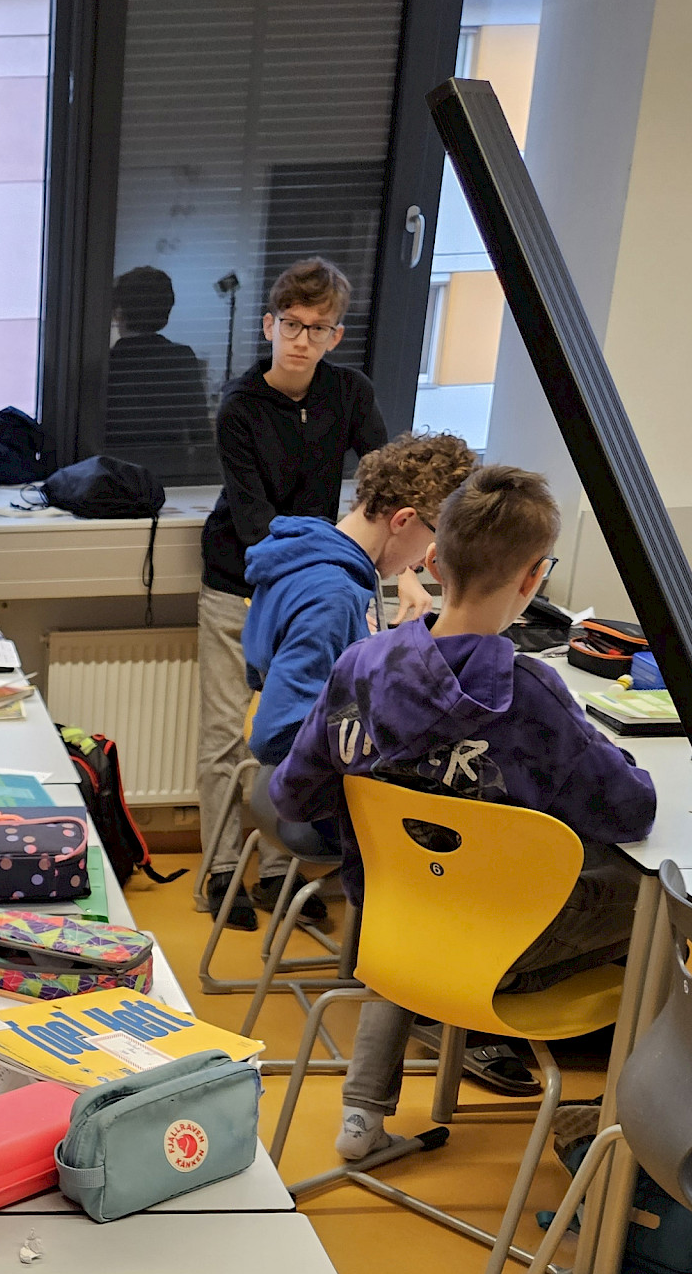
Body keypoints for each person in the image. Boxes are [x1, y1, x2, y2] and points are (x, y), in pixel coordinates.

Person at [269, 463, 657, 1166]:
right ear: (534, 578)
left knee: (419, 879)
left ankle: (361, 1113)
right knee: (659, 900)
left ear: (432, 560)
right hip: (502, 949)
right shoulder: (532, 694)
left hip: (394, 929)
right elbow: (630, 810)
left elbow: (294, 795)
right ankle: (633, 1129)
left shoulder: (360, 666)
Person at [196, 255, 386, 927]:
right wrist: (325, 576)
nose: (302, 340)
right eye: (292, 325)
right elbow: (256, 523)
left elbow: (384, 480)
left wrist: (399, 569)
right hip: (240, 578)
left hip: (314, 583)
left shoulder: (349, 393)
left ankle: (279, 873)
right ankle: (222, 872)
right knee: (226, 731)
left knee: (301, 728)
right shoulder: (240, 407)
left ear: (335, 336)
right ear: (269, 326)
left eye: (318, 328)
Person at [239, 431, 476, 913]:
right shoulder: (333, 594)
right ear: (403, 520)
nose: (424, 562)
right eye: (434, 540)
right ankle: (404, 947)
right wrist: (386, 732)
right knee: (477, 816)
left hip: (293, 781)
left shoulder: (311, 556)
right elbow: (275, 733)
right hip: (315, 797)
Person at [99, 265, 213, 484]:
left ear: (118, 312)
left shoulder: (107, 362)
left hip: (115, 477)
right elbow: (199, 428)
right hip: (171, 476)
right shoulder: (182, 357)